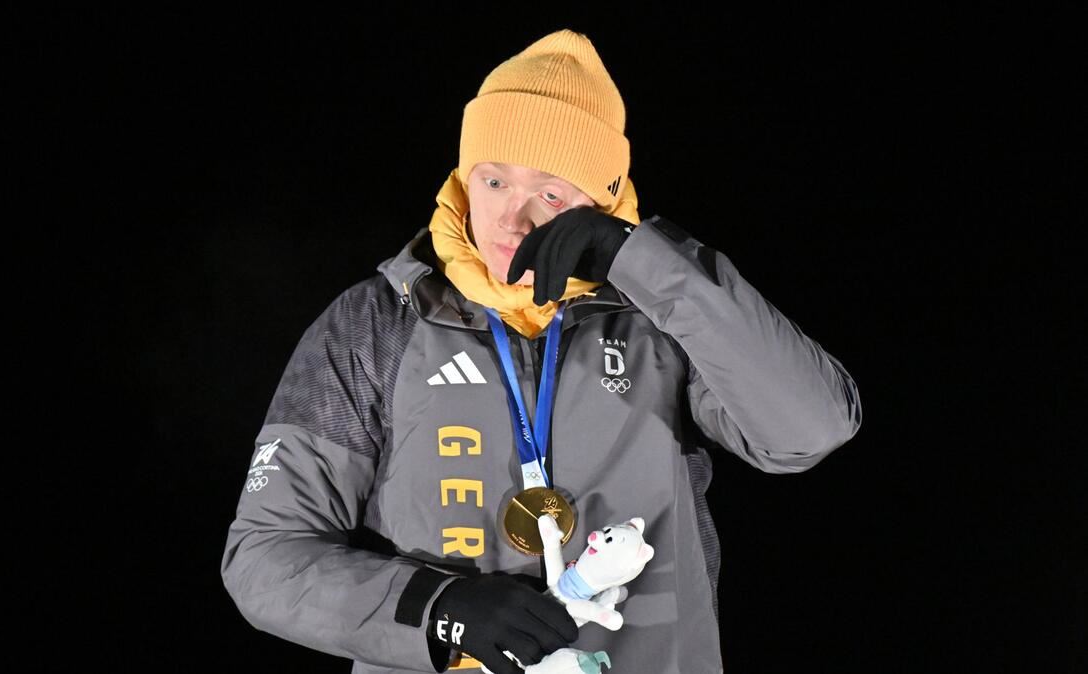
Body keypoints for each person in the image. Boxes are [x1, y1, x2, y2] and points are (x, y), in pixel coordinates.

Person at [221, 28, 863, 674]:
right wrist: (437, 607)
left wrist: (638, 260)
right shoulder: (373, 325)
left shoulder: (664, 317)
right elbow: (263, 559)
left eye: (551, 194)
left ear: (603, 201)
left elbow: (811, 427)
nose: (512, 220)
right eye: (494, 182)